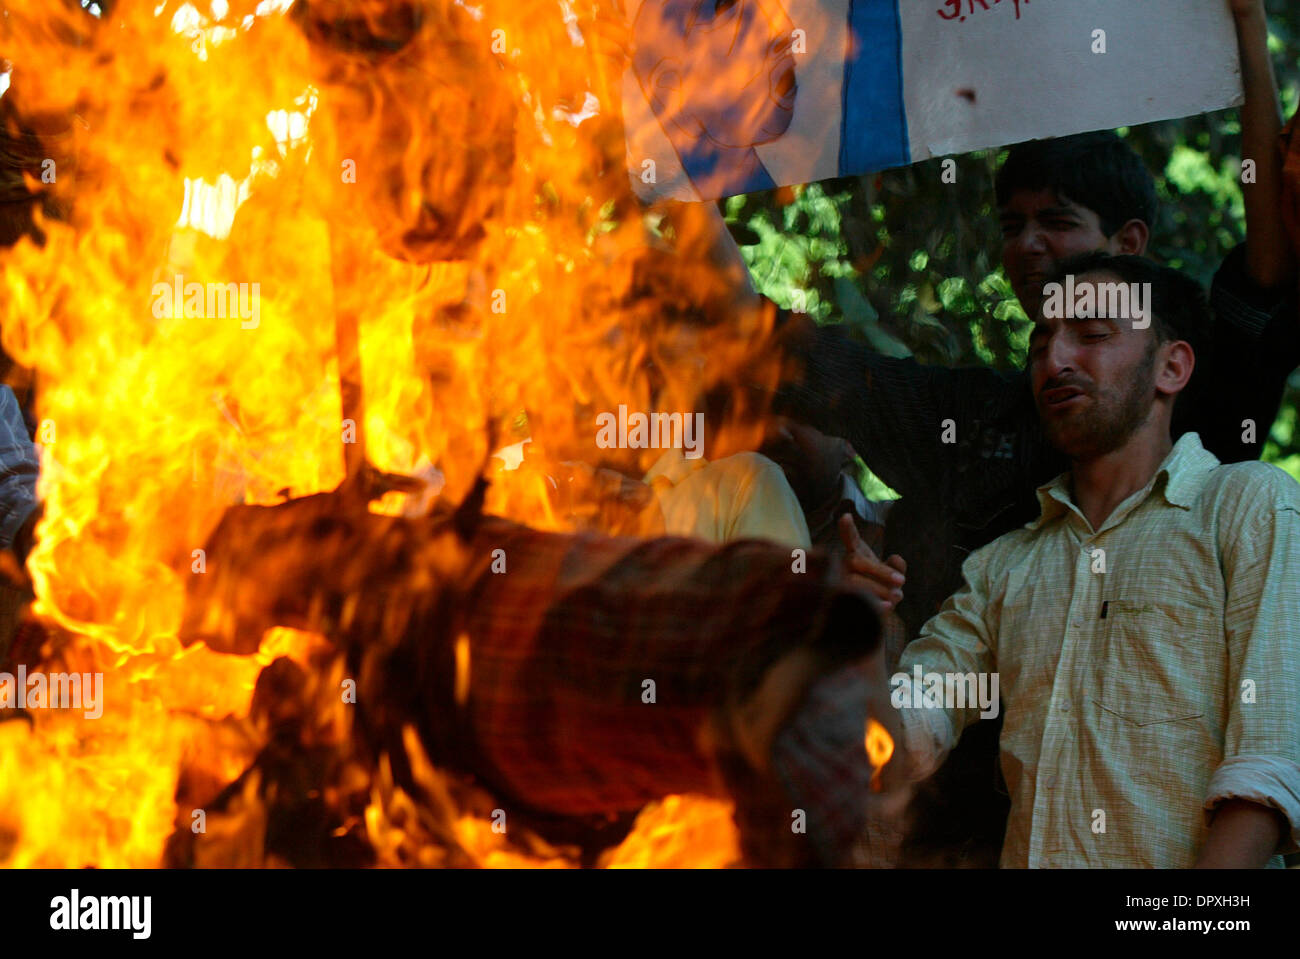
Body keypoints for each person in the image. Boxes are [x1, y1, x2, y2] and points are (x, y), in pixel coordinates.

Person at [877, 253, 1300, 867]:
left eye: (1094, 335)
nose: (1056, 360)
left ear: (1172, 366)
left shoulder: (1248, 505)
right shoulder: (1004, 567)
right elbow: (901, 743)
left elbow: (1272, 763)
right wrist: (858, 635)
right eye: (1041, 341)